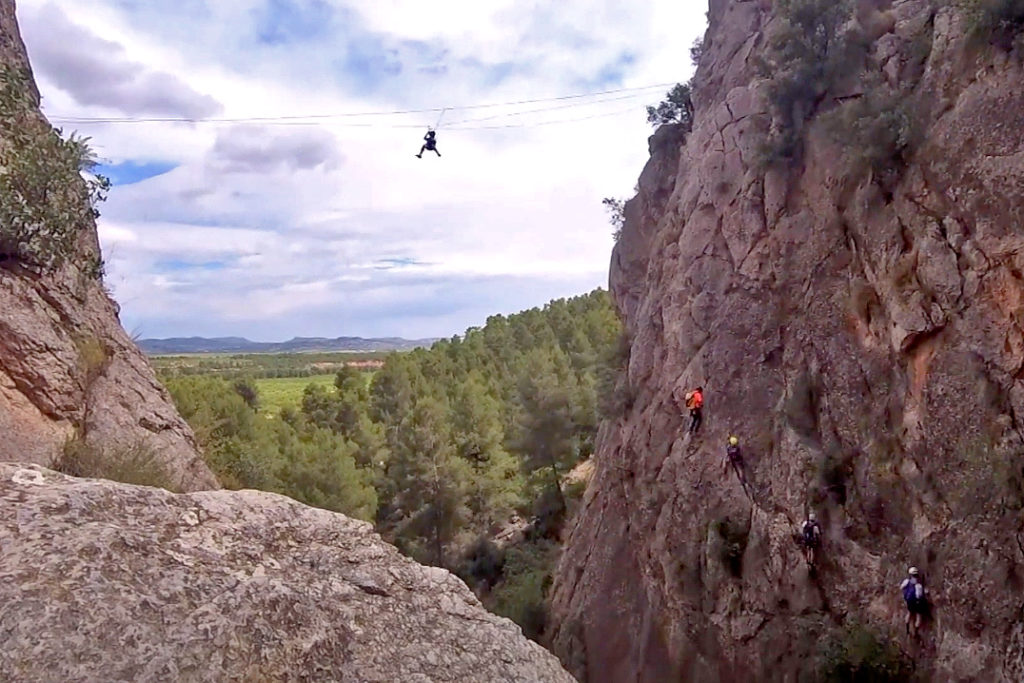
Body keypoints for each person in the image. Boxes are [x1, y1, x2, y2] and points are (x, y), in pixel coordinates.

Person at [900, 567, 927, 637]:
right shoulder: (919, 585)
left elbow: (901, 587)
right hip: (917, 603)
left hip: (909, 601)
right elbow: (919, 595)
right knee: (918, 616)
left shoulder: (907, 581)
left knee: (909, 613)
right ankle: (916, 632)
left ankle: (907, 629)